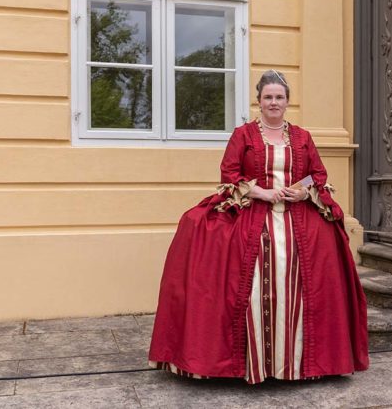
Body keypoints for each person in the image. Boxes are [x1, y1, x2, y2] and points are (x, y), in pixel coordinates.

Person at [148, 70, 369, 384]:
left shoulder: (303, 137)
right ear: (259, 100)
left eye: (279, 97)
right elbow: (229, 175)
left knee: (322, 251)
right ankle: (247, 363)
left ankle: (300, 363)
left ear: (287, 101)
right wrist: (261, 191)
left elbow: (316, 176)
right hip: (254, 210)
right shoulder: (244, 135)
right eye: (268, 97)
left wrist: (304, 191)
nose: (274, 102)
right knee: (203, 232)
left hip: (296, 214)